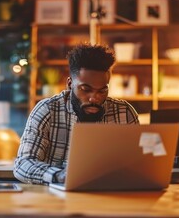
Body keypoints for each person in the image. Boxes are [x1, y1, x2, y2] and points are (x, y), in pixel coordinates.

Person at [14, 43, 140, 185]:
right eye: (85, 89)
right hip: (58, 200)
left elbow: (140, 164)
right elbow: (23, 164)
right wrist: (60, 176)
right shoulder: (47, 110)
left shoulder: (124, 113)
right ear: (69, 84)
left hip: (112, 197)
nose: (94, 98)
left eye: (102, 91)